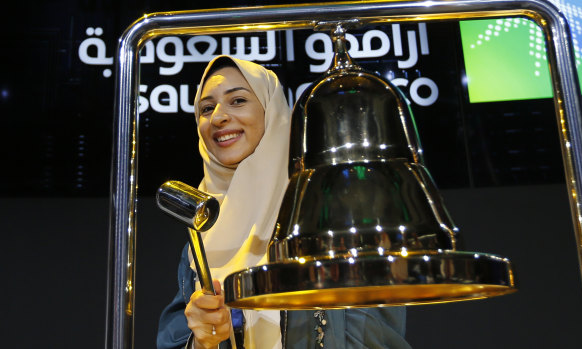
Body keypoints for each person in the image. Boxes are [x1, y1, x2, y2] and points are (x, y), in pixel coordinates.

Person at [156, 55, 411, 349]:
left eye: (237, 100)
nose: (218, 118)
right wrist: (203, 341)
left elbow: (377, 332)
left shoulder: (332, 214)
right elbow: (177, 340)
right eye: (206, 108)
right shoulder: (201, 238)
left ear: (272, 111)